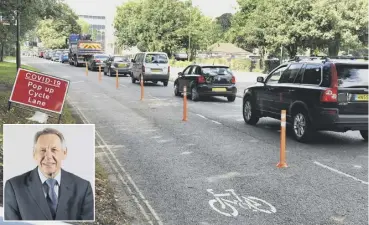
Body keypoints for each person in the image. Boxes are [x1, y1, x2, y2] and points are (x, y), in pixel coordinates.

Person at [4, 127, 94, 221]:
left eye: (54, 149)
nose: (48, 156)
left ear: (64, 153)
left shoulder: (83, 187)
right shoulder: (14, 187)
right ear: (34, 154)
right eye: (42, 150)